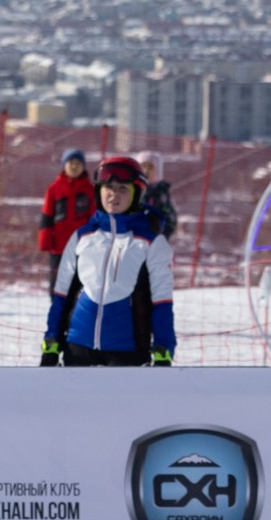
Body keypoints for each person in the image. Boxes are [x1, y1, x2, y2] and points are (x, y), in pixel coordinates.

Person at [42, 156, 176, 368]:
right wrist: (51, 340)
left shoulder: (151, 242)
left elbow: (162, 302)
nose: (114, 195)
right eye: (108, 188)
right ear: (99, 191)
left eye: (123, 189)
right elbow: (62, 294)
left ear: (136, 194)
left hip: (126, 350)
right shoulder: (82, 237)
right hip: (77, 346)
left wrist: (163, 348)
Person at [36, 148, 94, 283]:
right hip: (59, 246)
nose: (74, 166)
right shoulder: (54, 189)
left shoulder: (90, 190)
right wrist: (45, 240)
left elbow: (94, 218)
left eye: (78, 163)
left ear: (83, 166)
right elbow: (47, 215)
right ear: (64, 165)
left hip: (82, 246)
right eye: (71, 162)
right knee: (58, 282)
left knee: (80, 283)